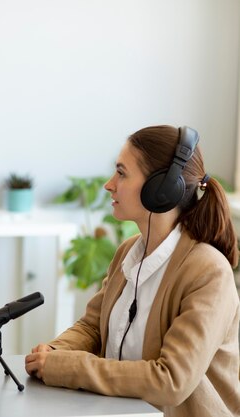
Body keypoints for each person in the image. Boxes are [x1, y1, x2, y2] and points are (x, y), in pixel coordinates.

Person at [25, 125, 240, 416]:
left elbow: (171, 380)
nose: (109, 184)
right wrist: (52, 352)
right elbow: (92, 327)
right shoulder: (128, 252)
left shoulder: (208, 272)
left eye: (122, 173)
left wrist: (66, 367)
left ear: (161, 189)